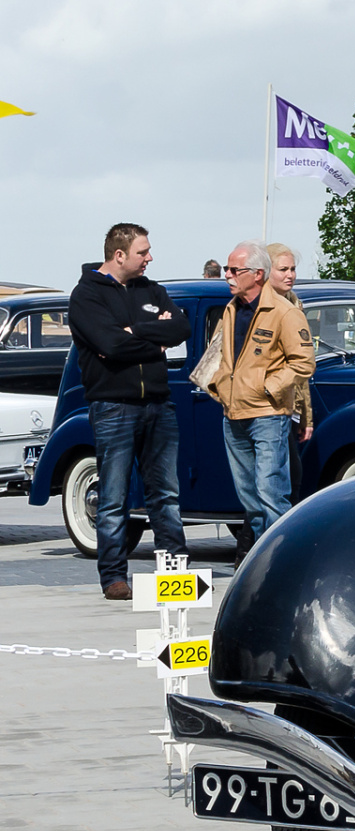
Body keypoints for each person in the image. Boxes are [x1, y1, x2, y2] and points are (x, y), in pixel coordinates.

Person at [67, 223, 191, 600]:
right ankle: (114, 577)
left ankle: (175, 570)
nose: (149, 258)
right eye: (143, 252)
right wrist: (154, 340)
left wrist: (133, 330)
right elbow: (109, 345)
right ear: (119, 255)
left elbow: (181, 329)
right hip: (113, 406)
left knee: (165, 493)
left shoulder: (152, 290)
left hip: (158, 404)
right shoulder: (86, 296)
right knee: (114, 495)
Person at [206, 240, 312, 562]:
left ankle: (284, 562)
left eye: (234, 270)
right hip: (233, 414)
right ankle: (260, 562)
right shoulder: (231, 309)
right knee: (250, 498)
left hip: (268, 415)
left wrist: (269, 389)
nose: (227, 275)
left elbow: (304, 362)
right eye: (227, 269)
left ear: (257, 274)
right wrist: (219, 387)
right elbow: (218, 356)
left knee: (271, 494)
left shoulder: (285, 312)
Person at [264, 243, 311, 498]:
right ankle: (254, 539)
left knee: (291, 479)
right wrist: (266, 388)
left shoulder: (295, 305)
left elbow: (302, 364)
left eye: (293, 269)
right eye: (283, 269)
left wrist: (306, 417)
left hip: (289, 407)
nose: (290, 275)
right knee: (274, 482)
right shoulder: (256, 307)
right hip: (266, 406)